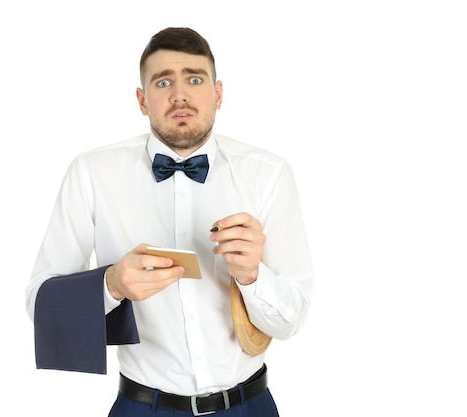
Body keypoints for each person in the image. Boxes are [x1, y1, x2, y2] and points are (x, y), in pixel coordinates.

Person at [26, 27, 313, 416]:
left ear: (219, 93)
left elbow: (291, 319)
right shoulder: (91, 173)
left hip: (249, 406)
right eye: (164, 82)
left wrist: (251, 276)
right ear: (142, 100)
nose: (180, 94)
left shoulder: (269, 174)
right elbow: (41, 302)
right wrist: (111, 284)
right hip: (142, 407)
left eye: (195, 79)